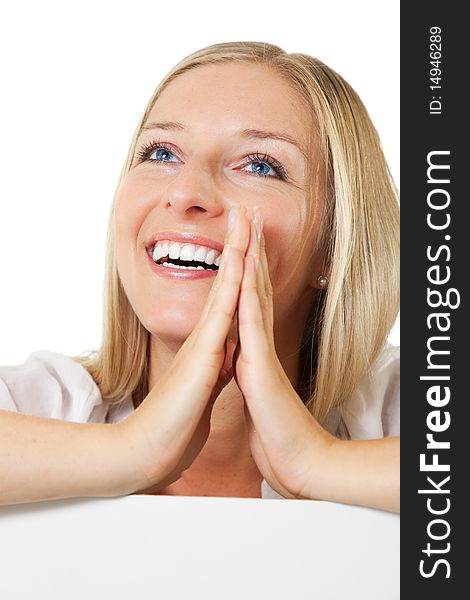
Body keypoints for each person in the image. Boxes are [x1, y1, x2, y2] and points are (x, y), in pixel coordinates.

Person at [0, 41, 399, 511]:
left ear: (333, 247)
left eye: (259, 165)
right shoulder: (40, 403)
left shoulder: (391, 408)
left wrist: (317, 462)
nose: (186, 191)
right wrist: (133, 450)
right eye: (162, 153)